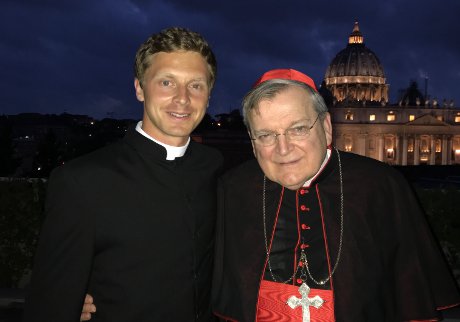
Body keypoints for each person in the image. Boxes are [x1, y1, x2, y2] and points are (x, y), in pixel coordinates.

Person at [211, 69, 460, 321]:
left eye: (298, 129)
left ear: (327, 127)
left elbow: (409, 294)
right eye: (265, 135)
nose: (283, 149)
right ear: (253, 142)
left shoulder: (381, 186)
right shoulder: (232, 189)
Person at [23, 27, 223, 322]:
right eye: (166, 82)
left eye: (196, 85)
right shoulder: (82, 182)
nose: (182, 99)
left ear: (208, 95)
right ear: (140, 88)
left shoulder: (215, 166)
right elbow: (50, 302)